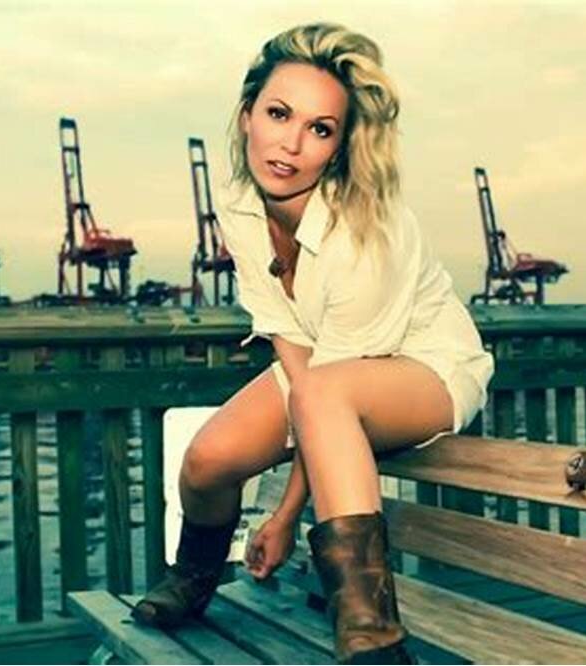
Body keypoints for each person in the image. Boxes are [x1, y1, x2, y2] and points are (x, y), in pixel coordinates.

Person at [131, 22, 495, 665]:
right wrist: (282, 506)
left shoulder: (365, 231)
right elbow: (293, 345)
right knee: (207, 459)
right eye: (279, 114)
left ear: (339, 147)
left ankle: (375, 641)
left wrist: (285, 516)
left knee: (323, 395)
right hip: (328, 369)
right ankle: (194, 577)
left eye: (320, 129)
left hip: (426, 366)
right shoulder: (241, 207)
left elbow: (323, 394)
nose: (291, 144)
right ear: (247, 116)